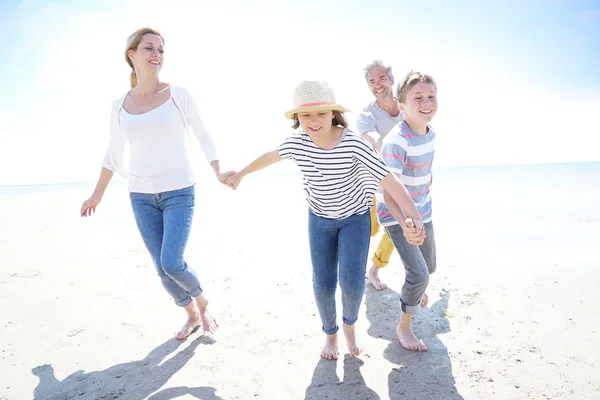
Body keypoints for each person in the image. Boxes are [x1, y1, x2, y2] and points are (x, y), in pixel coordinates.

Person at [226, 80, 423, 360]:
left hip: (355, 219)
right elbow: (270, 157)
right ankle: (330, 334)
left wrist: (413, 218)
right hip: (319, 220)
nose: (313, 121)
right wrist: (241, 174)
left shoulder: (353, 143)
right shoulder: (297, 143)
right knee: (323, 284)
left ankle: (349, 327)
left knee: (353, 284)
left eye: (321, 113)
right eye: (306, 115)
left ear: (334, 113)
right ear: (297, 118)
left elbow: (389, 180)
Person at [79, 27, 231, 340]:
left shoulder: (178, 94)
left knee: (172, 262)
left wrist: (218, 169)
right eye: (149, 48)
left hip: (179, 191)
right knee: (161, 270)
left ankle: (202, 302)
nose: (156, 55)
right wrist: (96, 195)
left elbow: (203, 134)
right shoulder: (118, 105)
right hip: (141, 196)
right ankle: (189, 314)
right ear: (131, 55)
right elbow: (112, 154)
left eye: (160, 50)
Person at [377, 70, 438, 351]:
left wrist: (426, 188)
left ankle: (415, 293)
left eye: (431, 96)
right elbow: (389, 190)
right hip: (396, 214)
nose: (426, 102)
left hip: (423, 210)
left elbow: (425, 170)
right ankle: (403, 327)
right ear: (401, 106)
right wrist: (404, 224)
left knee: (430, 267)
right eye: (418, 98)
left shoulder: (429, 133)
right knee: (419, 275)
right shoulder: (396, 141)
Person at [357, 60, 404, 291]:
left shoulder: (407, 106)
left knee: (396, 228)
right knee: (372, 229)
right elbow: (371, 137)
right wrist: (378, 143)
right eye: (372, 81)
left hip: (404, 182)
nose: (377, 85)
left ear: (392, 80)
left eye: (381, 79)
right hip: (376, 181)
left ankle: (374, 270)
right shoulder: (367, 115)